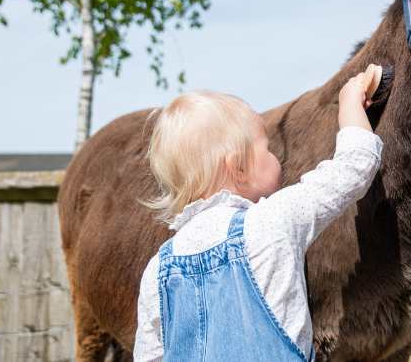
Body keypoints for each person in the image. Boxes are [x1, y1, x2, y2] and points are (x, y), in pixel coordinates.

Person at [134, 64, 384, 362]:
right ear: (237, 166)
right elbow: (353, 166)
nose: (275, 157)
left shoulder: (157, 270)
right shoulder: (271, 222)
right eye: (266, 148)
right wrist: (350, 106)